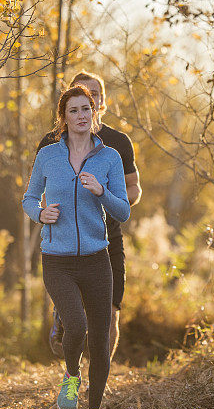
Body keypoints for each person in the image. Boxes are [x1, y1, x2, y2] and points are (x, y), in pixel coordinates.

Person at [22, 84, 130, 409]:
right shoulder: (48, 156)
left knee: (100, 336)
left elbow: (124, 210)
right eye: (74, 110)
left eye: (87, 109)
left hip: (98, 258)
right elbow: (28, 198)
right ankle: (71, 375)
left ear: (94, 112)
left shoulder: (109, 158)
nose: (82, 115)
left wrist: (101, 192)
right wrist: (40, 214)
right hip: (57, 258)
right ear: (63, 117)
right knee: (77, 324)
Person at [36, 72, 141, 362]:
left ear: (102, 103)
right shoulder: (50, 143)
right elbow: (40, 191)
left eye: (94, 95)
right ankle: (64, 326)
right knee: (76, 317)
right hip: (64, 240)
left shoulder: (118, 143)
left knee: (109, 312)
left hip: (108, 240)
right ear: (67, 105)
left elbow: (133, 190)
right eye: (81, 96)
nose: (88, 101)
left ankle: (99, 379)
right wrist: (50, 211)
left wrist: (106, 197)